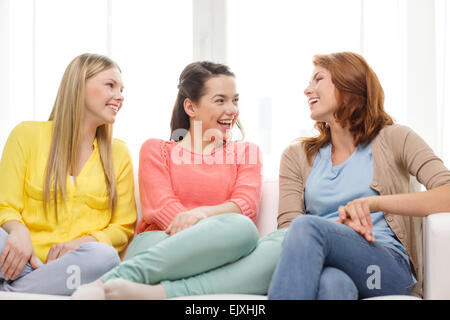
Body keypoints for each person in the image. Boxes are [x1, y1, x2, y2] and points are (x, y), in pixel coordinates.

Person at [71, 61, 263, 300]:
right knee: (240, 230)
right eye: (220, 100)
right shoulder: (157, 150)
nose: (232, 109)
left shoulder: (247, 152)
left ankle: (155, 293)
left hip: (221, 245)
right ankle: (107, 283)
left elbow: (246, 207)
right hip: (160, 243)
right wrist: (207, 241)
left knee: (271, 239)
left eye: (235, 100)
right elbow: (162, 209)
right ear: (191, 107)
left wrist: (199, 215)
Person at [268, 51, 450, 300]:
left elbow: (447, 194)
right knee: (333, 286)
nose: (307, 90)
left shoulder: (396, 138)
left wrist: (373, 203)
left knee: (307, 228)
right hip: (329, 264)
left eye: (318, 79)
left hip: (385, 268)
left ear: (348, 84)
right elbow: (288, 233)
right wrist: (335, 228)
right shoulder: (295, 156)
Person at [0, 53, 137, 296]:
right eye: (110, 85)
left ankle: (14, 292)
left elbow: (122, 227)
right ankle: (32, 286)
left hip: (73, 267)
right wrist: (18, 232)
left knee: (104, 256)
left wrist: (81, 243)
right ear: (79, 85)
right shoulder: (25, 135)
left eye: (121, 89)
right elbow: (5, 204)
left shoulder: (119, 153)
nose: (120, 96)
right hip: (20, 260)